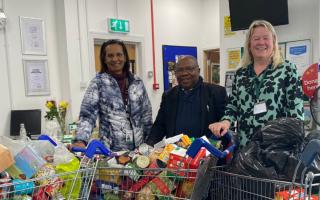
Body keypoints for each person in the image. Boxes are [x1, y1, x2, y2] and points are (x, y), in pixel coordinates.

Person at [209, 20, 304, 148]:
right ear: (249, 43)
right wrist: (225, 122)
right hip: (246, 149)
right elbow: (233, 106)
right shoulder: (241, 74)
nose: (261, 42)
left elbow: (296, 117)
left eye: (266, 38)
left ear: (273, 42)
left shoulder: (287, 69)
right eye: (256, 38)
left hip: (277, 150)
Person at [74, 39, 152, 151]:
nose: (115, 59)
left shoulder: (137, 82)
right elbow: (87, 115)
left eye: (119, 55)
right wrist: (80, 140)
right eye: (110, 56)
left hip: (139, 150)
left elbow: (146, 115)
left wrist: (150, 142)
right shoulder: (98, 83)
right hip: (111, 151)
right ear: (104, 59)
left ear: (125, 57)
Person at [146, 55, 227, 145]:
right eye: (180, 70)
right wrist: (148, 148)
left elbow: (225, 125)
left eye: (189, 69)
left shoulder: (216, 93)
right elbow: (159, 127)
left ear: (198, 71)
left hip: (206, 154)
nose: (184, 73)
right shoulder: (169, 95)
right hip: (175, 154)